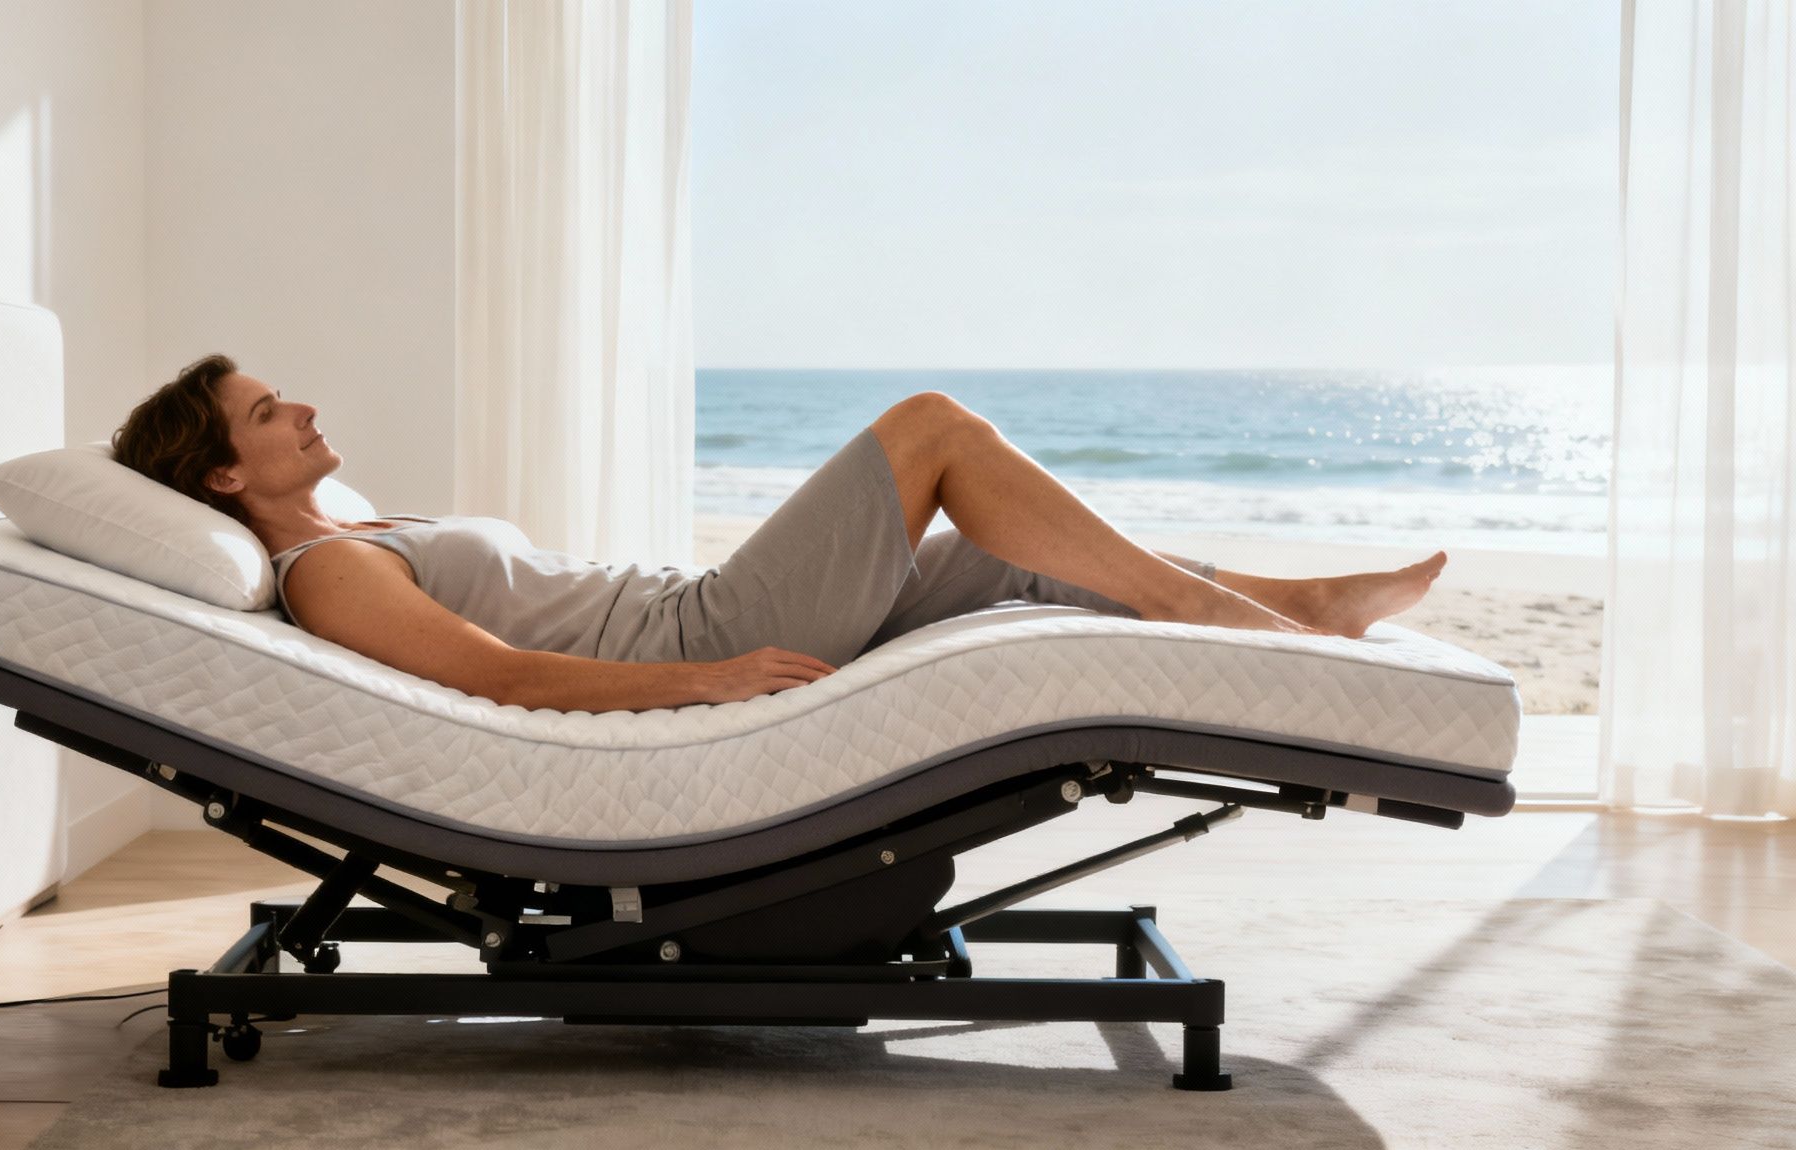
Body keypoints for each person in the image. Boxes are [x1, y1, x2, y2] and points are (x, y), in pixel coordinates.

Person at [113, 354, 1446, 713]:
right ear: (224, 477)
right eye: (267, 411)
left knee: (997, 553)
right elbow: (498, 678)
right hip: (708, 634)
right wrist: (704, 679)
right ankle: (1214, 612)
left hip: (704, 611)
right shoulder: (331, 569)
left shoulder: (359, 525)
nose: (302, 408)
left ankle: (1303, 606)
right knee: (930, 430)